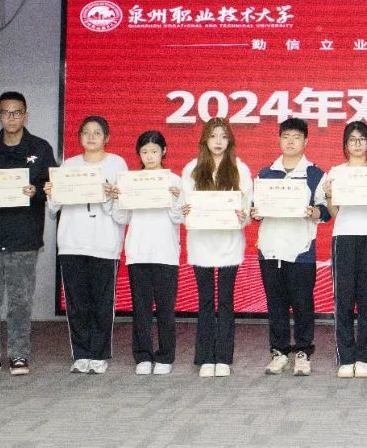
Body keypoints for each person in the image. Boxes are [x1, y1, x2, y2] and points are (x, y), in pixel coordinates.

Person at [0, 91, 56, 377]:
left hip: (24, 238)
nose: (12, 117)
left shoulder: (40, 148)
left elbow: (53, 187)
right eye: (6, 112)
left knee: (20, 301)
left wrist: (36, 191)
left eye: (17, 112)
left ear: (25, 115)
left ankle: (19, 355)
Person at [45, 116, 128, 375]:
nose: (91, 137)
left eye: (97, 132)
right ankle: (81, 354)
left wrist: (112, 196)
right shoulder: (69, 165)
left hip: (104, 244)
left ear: (107, 137)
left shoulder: (117, 164)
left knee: (102, 303)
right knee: (77, 302)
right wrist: (51, 191)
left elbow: (123, 212)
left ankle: (99, 354)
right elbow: (54, 207)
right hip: (72, 243)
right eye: (86, 132)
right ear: (79, 137)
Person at [251, 118, 327, 378]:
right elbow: (254, 208)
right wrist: (256, 212)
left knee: (303, 303)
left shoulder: (315, 174)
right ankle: (279, 352)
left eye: (296, 137)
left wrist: (313, 212)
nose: (291, 141)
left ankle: (303, 352)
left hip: (301, 250)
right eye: (286, 137)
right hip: (270, 249)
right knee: (276, 304)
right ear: (279, 140)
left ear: (306, 141)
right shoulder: (265, 174)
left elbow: (326, 210)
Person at [318, 121, 367, 378]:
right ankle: (346, 356)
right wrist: (329, 195)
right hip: (343, 237)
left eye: (362, 139)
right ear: (345, 145)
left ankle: (363, 356)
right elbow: (334, 212)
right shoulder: (336, 173)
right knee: (344, 298)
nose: (357, 144)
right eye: (352, 140)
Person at [181, 117, 251, 378]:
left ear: (230, 140)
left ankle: (223, 357)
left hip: (228, 243)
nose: (218, 141)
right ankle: (205, 357)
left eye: (223, 136)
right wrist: (185, 211)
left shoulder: (240, 168)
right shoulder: (191, 168)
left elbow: (246, 207)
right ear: (205, 140)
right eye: (213, 136)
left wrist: (241, 215)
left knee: (225, 301)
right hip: (201, 243)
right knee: (206, 300)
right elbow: (184, 207)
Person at [110, 131, 183, 376]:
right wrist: (117, 199)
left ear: (164, 151)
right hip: (138, 252)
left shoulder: (174, 180)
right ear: (138, 154)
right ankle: (142, 355)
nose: (149, 156)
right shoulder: (130, 181)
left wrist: (176, 198)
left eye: (154, 151)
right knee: (140, 309)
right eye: (144, 152)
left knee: (165, 309)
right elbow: (121, 218)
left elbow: (179, 218)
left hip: (165, 253)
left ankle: (165, 356)